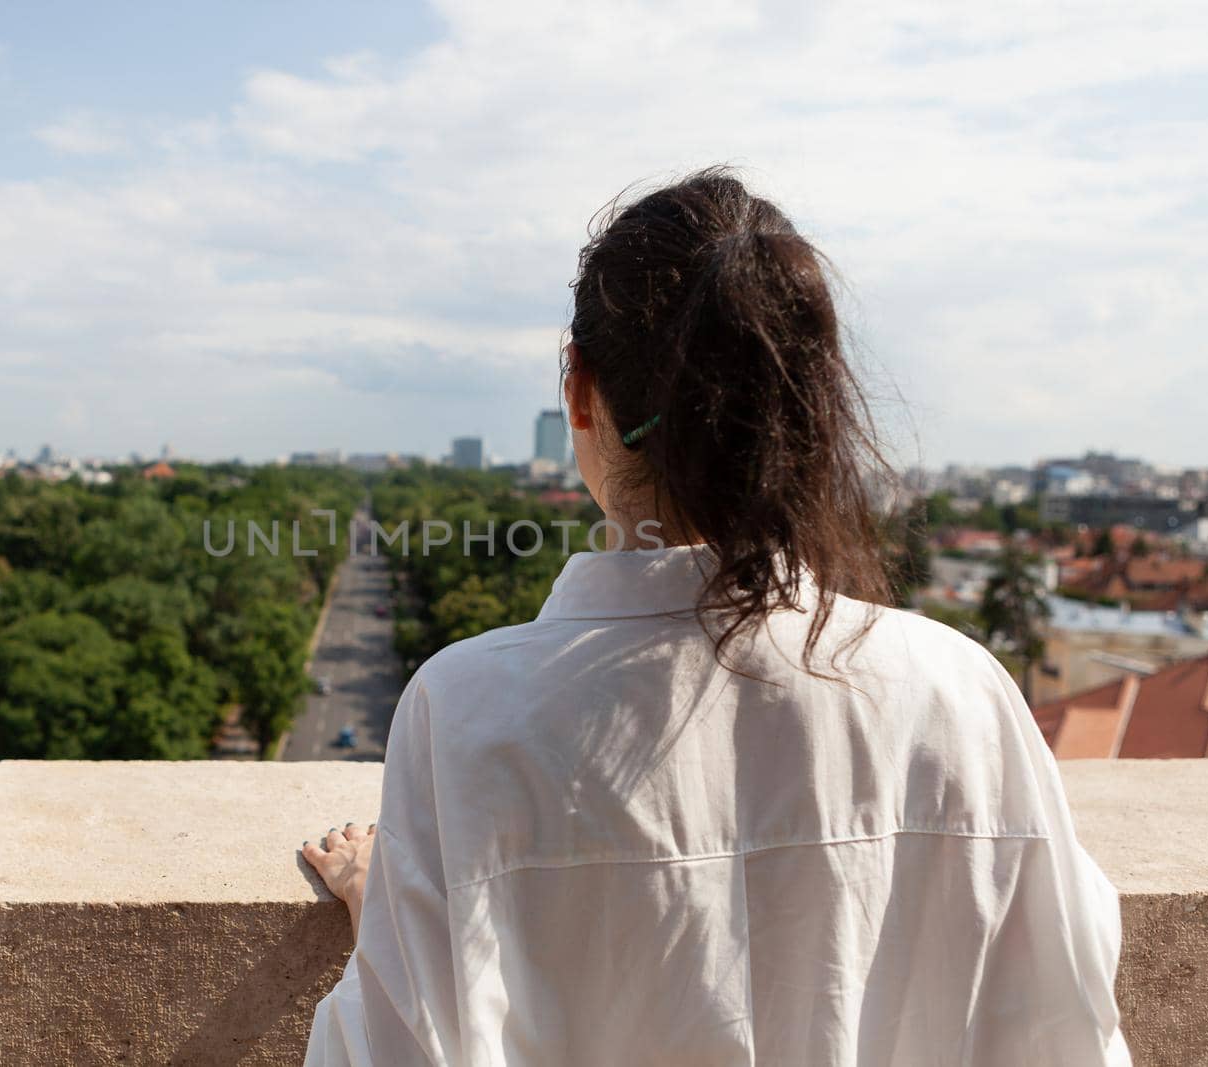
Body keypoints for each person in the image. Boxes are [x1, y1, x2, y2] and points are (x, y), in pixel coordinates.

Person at [299, 168, 1129, 1066]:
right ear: (809, 409)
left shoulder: (463, 710)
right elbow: (1066, 1023)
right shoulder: (962, 697)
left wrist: (393, 907)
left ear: (579, 390)